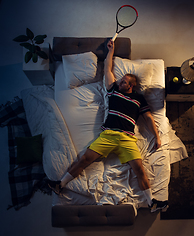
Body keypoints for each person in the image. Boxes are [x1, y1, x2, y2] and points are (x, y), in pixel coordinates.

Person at [48, 40, 168, 212]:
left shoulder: (139, 99)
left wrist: (156, 136)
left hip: (127, 138)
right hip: (109, 135)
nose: (121, 82)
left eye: (125, 82)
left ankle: (152, 203)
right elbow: (108, 70)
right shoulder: (113, 90)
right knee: (84, 159)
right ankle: (60, 185)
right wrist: (110, 52)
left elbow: (148, 118)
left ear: (131, 86)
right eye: (121, 80)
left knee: (140, 170)